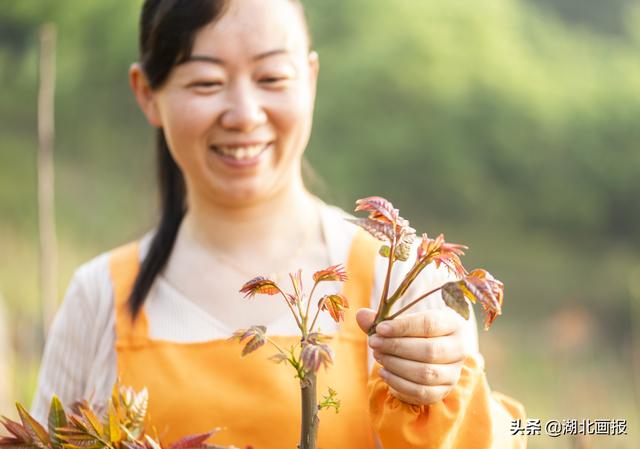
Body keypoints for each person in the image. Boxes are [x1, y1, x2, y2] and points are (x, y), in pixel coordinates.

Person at [31, 0, 526, 447]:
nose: (245, 115)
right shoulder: (98, 299)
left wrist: (446, 386)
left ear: (309, 80)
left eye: (271, 78)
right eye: (206, 82)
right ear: (147, 94)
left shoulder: (403, 284)